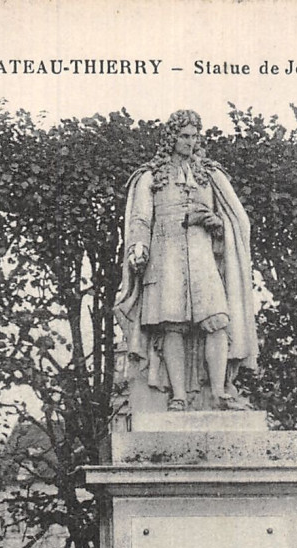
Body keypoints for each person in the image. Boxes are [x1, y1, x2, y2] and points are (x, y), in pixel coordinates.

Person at [115, 109, 258, 411]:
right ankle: (178, 396)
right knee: (172, 326)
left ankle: (219, 393)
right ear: (171, 137)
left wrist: (216, 225)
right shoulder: (150, 177)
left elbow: (235, 221)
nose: (190, 142)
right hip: (165, 258)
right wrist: (138, 248)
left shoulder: (211, 175)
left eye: (194, 136)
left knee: (217, 322)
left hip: (203, 257)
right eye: (184, 136)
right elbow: (140, 219)